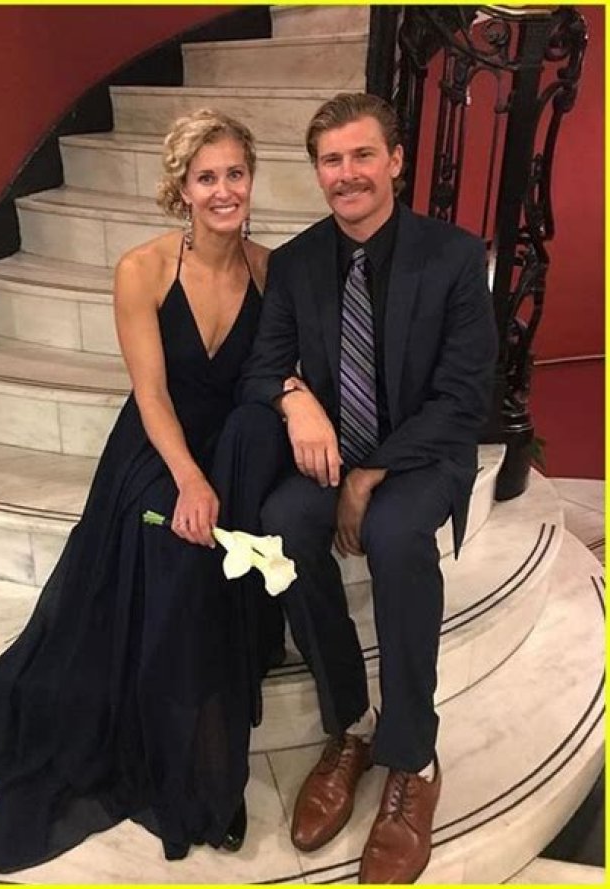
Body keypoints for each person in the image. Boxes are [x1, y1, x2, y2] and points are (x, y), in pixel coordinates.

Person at [0, 109, 283, 872]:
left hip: (230, 450)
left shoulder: (271, 270)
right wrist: (190, 481)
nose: (224, 190)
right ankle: (193, 770)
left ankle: (206, 764)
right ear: (181, 188)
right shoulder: (143, 268)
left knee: (221, 559)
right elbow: (152, 394)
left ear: (251, 178)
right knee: (179, 558)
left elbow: (272, 379)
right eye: (206, 177)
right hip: (156, 451)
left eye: (235, 173)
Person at [231, 92, 498, 883]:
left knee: (393, 533)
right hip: (335, 449)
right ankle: (349, 721)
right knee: (283, 521)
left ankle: (412, 755)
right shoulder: (297, 262)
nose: (346, 174)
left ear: (396, 160)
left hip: (421, 453)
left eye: (361, 155)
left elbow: (464, 397)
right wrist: (295, 397)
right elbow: (261, 368)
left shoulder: (453, 256)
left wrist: (370, 474)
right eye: (331, 160)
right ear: (318, 171)